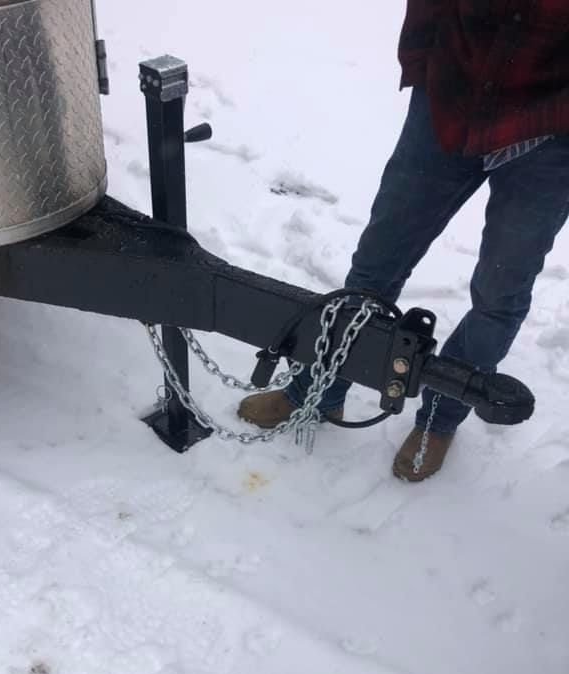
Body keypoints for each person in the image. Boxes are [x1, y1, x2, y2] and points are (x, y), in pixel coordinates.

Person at [238, 0, 569, 481]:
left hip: (551, 130)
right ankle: (319, 387)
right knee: (376, 265)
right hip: (452, 94)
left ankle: (440, 419)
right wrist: (421, 60)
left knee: (501, 293)